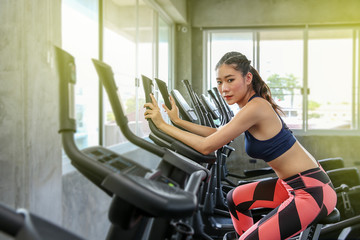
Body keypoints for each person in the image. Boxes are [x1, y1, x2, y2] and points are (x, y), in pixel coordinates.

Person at [144, 51, 337, 240]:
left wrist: (162, 125)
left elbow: (206, 146)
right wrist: (178, 122)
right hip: (293, 184)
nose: (223, 89)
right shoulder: (250, 107)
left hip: (311, 192)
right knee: (235, 198)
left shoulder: (256, 107)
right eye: (219, 82)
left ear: (248, 78)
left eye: (230, 80)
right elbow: (218, 135)